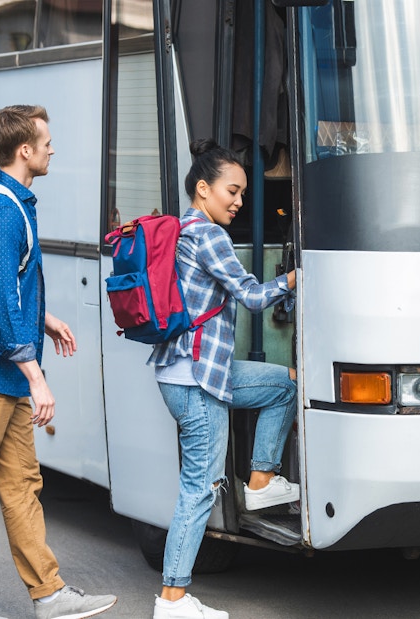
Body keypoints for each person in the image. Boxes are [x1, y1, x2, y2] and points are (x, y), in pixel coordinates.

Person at [150, 138, 299, 619]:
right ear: (202, 189)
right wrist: (296, 279)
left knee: (284, 384)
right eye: (231, 192)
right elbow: (253, 297)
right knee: (199, 487)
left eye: (241, 193)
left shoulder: (182, 228)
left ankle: (260, 479)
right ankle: (172, 600)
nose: (238, 201)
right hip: (196, 381)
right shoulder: (208, 236)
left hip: (198, 372)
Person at [0, 105, 117, 619]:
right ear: (25, 150)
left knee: (22, 483)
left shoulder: (17, 203)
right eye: (46, 141)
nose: (52, 148)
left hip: (8, 379)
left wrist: (42, 316)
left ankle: (49, 594)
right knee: (22, 484)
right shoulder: (4, 209)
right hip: (4, 378)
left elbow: (12, 286)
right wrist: (35, 375)